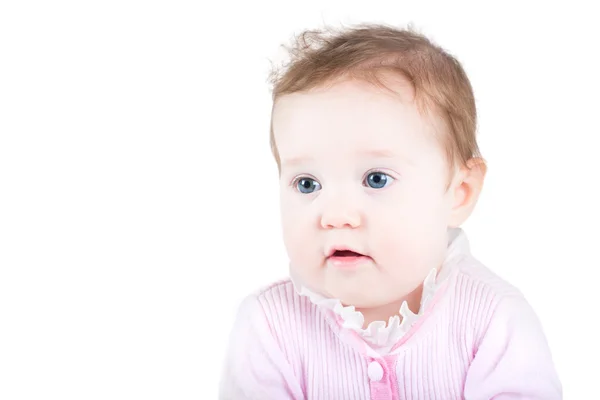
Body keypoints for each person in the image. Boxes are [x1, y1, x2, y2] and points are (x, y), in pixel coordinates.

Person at [219, 23, 562, 399]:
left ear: (458, 193)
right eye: (307, 184)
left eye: (376, 179)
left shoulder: (493, 319)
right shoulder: (269, 327)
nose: (335, 215)